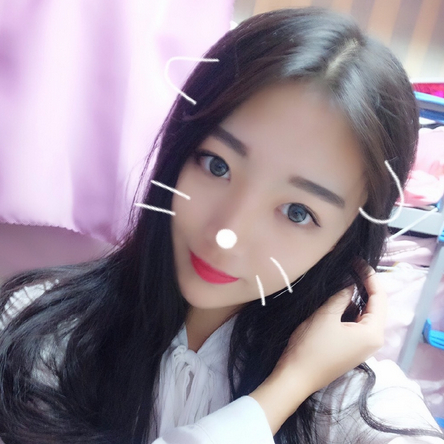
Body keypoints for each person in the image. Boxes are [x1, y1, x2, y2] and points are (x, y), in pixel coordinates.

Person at [0, 7, 443, 444]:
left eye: (297, 212)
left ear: (344, 239)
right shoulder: (42, 330)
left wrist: (303, 381)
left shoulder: (351, 405)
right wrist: (282, 392)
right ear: (180, 149)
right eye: (217, 165)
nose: (227, 233)